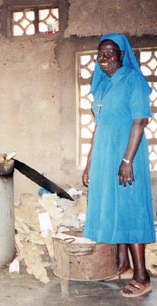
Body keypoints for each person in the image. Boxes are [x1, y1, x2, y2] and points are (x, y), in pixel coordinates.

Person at [82, 33, 156, 298]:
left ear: (122, 55)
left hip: (127, 155)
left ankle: (142, 276)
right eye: (100, 53)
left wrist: (127, 161)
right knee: (115, 209)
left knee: (131, 209)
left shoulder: (133, 80)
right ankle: (123, 266)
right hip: (105, 156)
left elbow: (140, 121)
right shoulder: (103, 86)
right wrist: (90, 162)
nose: (104, 57)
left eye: (110, 52)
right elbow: (99, 126)